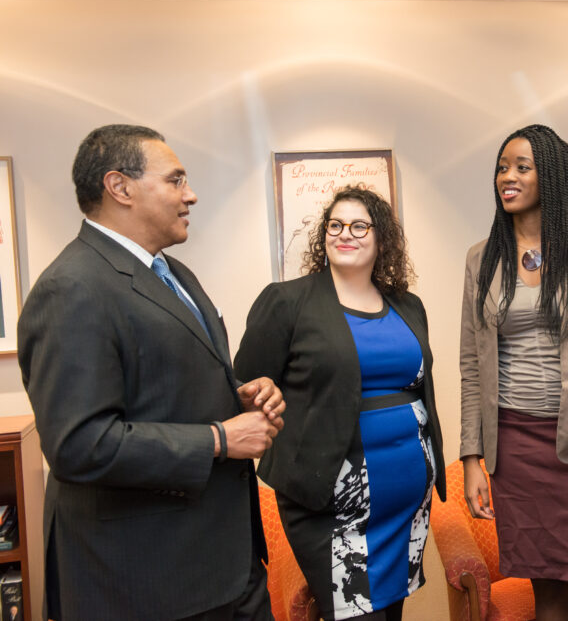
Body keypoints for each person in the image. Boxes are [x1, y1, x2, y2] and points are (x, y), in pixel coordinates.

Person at [18, 124, 284, 620]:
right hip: (148, 581)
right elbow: (80, 444)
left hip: (222, 563)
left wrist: (239, 396)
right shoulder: (72, 288)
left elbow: (168, 384)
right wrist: (220, 439)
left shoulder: (174, 273)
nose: (192, 195)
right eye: (176, 180)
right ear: (120, 188)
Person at [234, 185, 445, 621]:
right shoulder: (287, 301)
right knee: (355, 613)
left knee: (388, 613)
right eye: (335, 225)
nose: (344, 233)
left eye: (358, 225)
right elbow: (245, 385)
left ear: (381, 239)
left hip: (404, 498)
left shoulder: (408, 306)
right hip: (329, 499)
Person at [460, 124, 568, 621]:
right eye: (501, 167)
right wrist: (473, 457)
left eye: (521, 167)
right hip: (515, 446)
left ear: (552, 178)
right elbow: (471, 363)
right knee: (550, 597)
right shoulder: (482, 258)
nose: (507, 177)